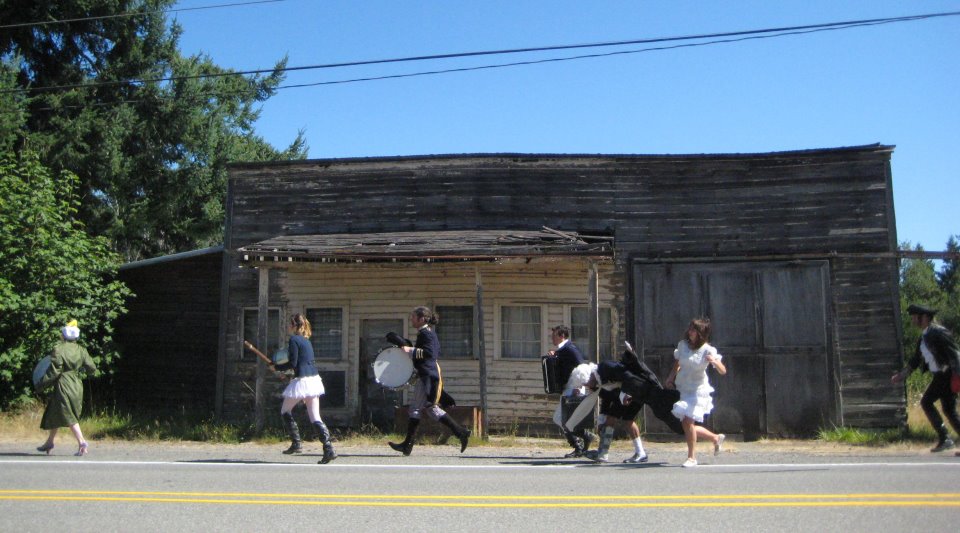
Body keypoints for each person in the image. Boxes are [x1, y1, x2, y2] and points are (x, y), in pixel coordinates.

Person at [389, 306, 471, 456]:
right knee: (425, 409)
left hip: (430, 375)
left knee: (423, 408)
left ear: (422, 319)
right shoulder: (425, 333)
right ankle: (460, 432)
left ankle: (408, 445)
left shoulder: (427, 334)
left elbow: (430, 353)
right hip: (426, 374)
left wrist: (410, 350)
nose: (411, 319)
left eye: (414, 317)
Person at [891, 304, 960, 452]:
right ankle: (945, 439)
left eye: (915, 317)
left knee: (927, 402)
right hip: (940, 376)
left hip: (946, 375)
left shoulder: (938, 332)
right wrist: (901, 376)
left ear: (925, 317)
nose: (913, 320)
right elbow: (915, 361)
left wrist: (956, 376)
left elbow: (954, 354)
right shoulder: (924, 337)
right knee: (949, 410)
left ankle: (945, 438)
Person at [270, 313, 337, 464]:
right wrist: (286, 371)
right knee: (315, 417)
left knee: (285, 411)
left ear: (294, 325)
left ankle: (296, 443)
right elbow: (301, 363)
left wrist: (277, 367)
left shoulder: (294, 340)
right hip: (314, 380)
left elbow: (293, 363)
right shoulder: (307, 341)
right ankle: (329, 449)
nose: (288, 327)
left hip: (302, 382)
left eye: (290, 324)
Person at [665, 317, 727, 468]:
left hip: (698, 390)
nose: (690, 331)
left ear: (701, 333)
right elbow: (677, 363)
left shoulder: (707, 350)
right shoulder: (683, 345)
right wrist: (670, 378)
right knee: (687, 425)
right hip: (684, 388)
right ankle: (715, 438)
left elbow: (723, 370)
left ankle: (692, 457)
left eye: (694, 329)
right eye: (690, 328)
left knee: (687, 421)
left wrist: (714, 361)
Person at [36, 320, 97, 456]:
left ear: (64, 335)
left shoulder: (59, 349)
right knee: (55, 412)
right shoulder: (81, 350)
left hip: (63, 384)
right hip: (76, 384)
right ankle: (50, 442)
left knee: (68, 413)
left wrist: (41, 383)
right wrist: (79, 369)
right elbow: (92, 368)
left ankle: (82, 442)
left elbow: (54, 372)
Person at [547, 325, 596, 458]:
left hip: (573, 388)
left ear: (562, 336)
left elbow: (582, 367)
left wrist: (579, 387)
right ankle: (583, 440)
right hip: (567, 388)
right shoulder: (563, 350)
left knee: (561, 418)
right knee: (564, 419)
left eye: (554, 335)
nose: (552, 338)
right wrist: (555, 355)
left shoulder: (570, 348)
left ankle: (581, 442)